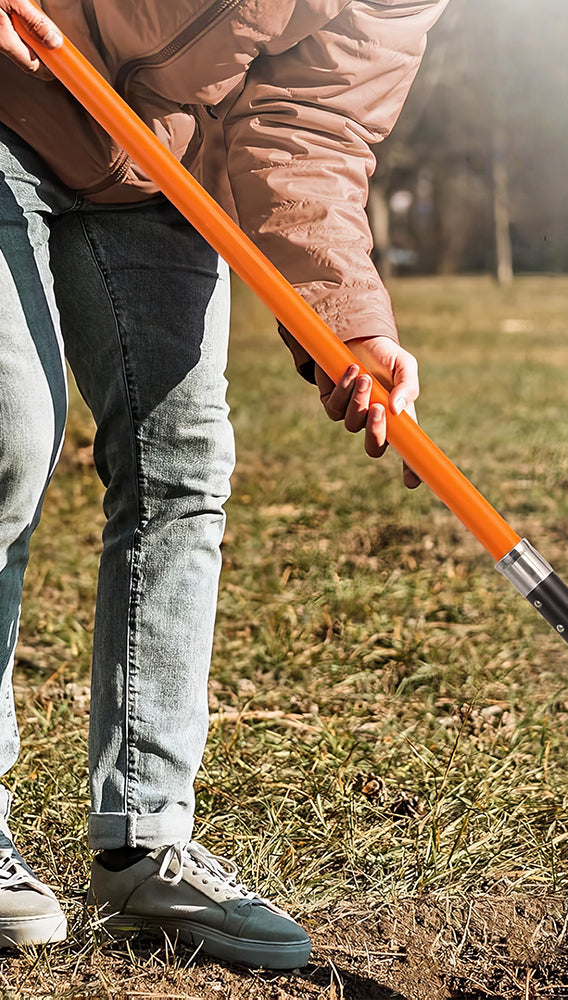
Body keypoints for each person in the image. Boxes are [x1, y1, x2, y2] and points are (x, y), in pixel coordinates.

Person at [0, 0, 445, 969]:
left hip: (152, 165)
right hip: (7, 92)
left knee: (182, 464)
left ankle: (144, 841)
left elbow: (310, 125)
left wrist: (349, 320)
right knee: (9, 431)